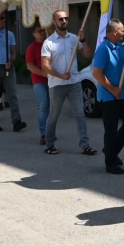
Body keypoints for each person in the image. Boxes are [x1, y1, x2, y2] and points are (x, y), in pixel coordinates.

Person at [41, 9, 94, 153]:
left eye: (66, 19)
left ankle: (85, 146)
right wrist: (60, 75)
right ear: (54, 22)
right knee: (53, 115)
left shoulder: (74, 38)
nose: (64, 21)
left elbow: (88, 55)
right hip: (57, 85)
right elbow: (45, 65)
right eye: (60, 19)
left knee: (80, 114)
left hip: (74, 83)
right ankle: (49, 145)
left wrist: (82, 40)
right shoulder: (48, 42)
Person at [92, 20, 124, 173]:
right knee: (110, 129)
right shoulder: (103, 49)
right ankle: (110, 164)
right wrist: (112, 89)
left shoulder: (120, 47)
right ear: (115, 31)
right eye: (122, 30)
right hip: (109, 97)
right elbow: (97, 73)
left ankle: (111, 150)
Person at [0, 3, 27, 133]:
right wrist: (2, 9)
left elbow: (14, 51)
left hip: (7, 68)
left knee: (12, 95)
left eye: (4, 17)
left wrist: (11, 61)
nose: (4, 19)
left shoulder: (10, 34)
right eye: (1, 17)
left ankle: (16, 121)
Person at [25, 24, 51, 144]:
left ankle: (50, 132)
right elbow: (29, 65)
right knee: (42, 106)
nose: (42, 33)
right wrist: (43, 73)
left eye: (43, 31)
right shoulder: (32, 47)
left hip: (52, 81)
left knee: (50, 108)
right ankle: (43, 134)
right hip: (39, 82)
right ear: (34, 34)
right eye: (39, 31)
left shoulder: (49, 44)